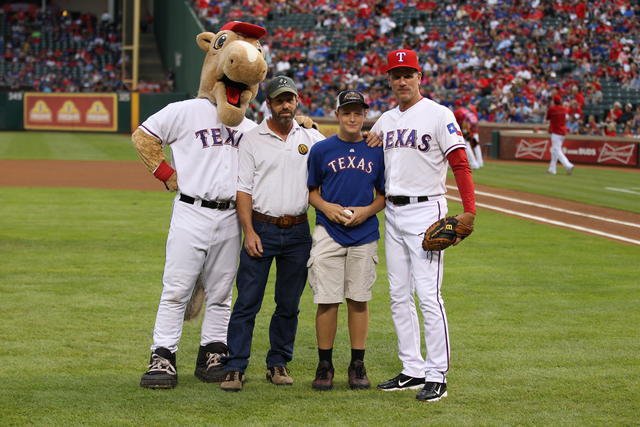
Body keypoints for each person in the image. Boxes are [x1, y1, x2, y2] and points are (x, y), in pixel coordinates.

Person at [370, 49, 476, 402]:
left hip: (426, 210)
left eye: (408, 73)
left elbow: (460, 164)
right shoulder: (384, 120)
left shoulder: (437, 114)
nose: (402, 80)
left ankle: (437, 374)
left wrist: (469, 211)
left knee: (428, 296)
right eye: (396, 74)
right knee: (399, 295)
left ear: (420, 78)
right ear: (389, 80)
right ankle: (412, 369)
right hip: (394, 212)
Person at [220, 76, 325, 391]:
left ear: (297, 101)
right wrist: (248, 230)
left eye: (290, 99)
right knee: (247, 302)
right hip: (261, 227)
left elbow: (337, 151)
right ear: (269, 103)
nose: (286, 105)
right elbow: (243, 190)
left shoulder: (310, 138)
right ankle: (235, 366)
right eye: (279, 100)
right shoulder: (252, 139)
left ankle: (278, 363)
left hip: (297, 230)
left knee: (288, 304)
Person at [306, 90, 386, 391]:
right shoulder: (322, 150)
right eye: (347, 112)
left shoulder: (375, 151)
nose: (353, 117)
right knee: (326, 300)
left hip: (363, 233)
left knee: (359, 298)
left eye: (358, 112)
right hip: (329, 231)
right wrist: (326, 207)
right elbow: (311, 190)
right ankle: (325, 364)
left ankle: (357, 363)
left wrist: (367, 212)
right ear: (338, 115)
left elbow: (383, 196)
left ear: (365, 115)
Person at [546, 94, 574, 175]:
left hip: (556, 132)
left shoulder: (552, 109)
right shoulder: (564, 109)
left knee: (557, 150)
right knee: (554, 150)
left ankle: (568, 165)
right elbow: (566, 118)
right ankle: (552, 169)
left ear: (554, 101)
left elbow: (547, 118)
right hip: (563, 132)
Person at [453, 103, 484, 169]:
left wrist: (467, 132)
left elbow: (459, 123)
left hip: (468, 129)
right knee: (475, 146)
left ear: (457, 105)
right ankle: (480, 162)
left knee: (466, 145)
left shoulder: (457, 112)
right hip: (474, 129)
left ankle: (474, 164)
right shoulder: (466, 111)